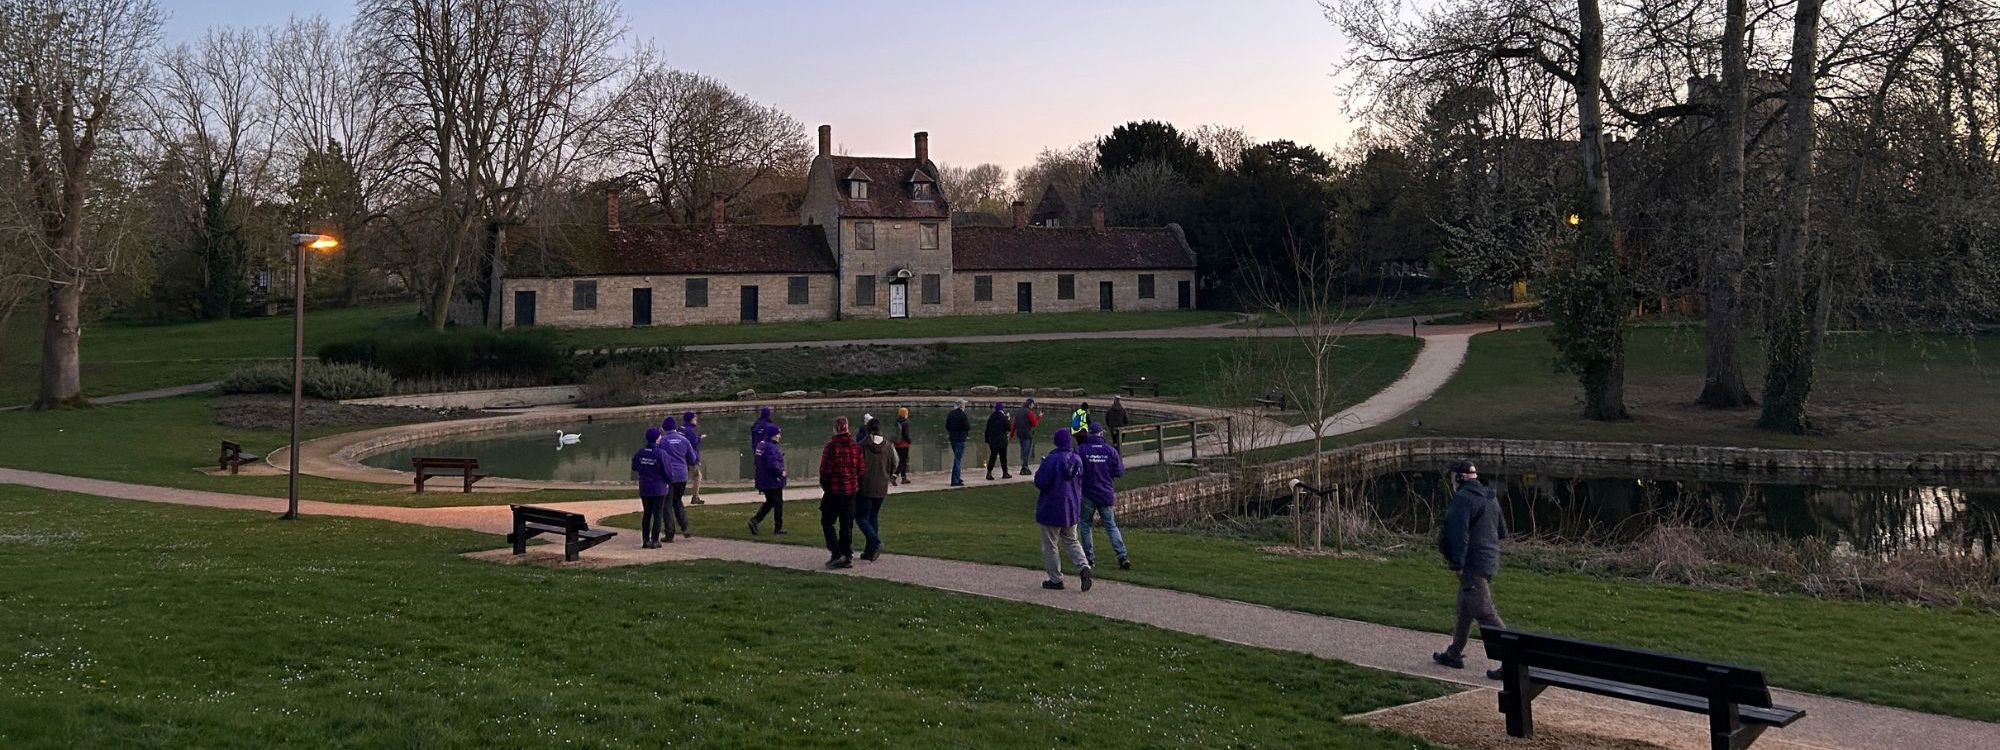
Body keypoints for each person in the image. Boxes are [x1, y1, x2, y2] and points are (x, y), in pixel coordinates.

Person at [1432, 459, 1508, 680]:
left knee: (1485, 612)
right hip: (1488, 559)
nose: (1451, 482)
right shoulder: (1489, 496)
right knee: (1465, 607)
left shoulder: (1463, 499)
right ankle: (1454, 653)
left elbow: (1458, 534)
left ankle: (1511, 661)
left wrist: (1457, 564)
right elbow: (1501, 531)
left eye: (1452, 477)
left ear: (1458, 478)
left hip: (1472, 563)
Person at [1033, 428, 1092, 591]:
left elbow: (1040, 482)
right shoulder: (1077, 460)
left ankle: (1056, 579)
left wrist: (1042, 466)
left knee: (1050, 544)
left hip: (1051, 507)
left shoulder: (1052, 460)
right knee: (1071, 540)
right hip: (1071, 507)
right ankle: (1083, 566)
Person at [1077, 423, 1130, 570]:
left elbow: (1077, 470)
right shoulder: (1110, 451)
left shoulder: (1082, 450)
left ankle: (1089, 559)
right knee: (1111, 526)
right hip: (1105, 494)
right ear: (1100, 434)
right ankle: (1122, 556)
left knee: (1085, 525)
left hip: (1087, 493)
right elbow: (1119, 471)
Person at [817, 417, 866, 569]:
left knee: (827, 522)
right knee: (847, 524)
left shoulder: (831, 447)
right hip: (850, 491)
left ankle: (837, 552)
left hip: (834, 491)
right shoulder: (855, 447)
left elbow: (825, 471)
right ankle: (846, 553)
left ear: (835, 429)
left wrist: (826, 486)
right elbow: (861, 469)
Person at [856, 417, 896, 561]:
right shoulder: (887, 446)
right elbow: (893, 464)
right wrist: (888, 476)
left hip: (865, 486)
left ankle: (875, 542)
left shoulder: (862, 446)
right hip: (881, 486)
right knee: (873, 517)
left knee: (860, 517)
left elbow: (857, 466)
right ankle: (870, 550)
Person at [657, 416, 698, 540]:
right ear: (675, 427)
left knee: (667, 503)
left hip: (668, 476)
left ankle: (669, 533)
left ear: (664, 428)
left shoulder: (662, 441)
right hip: (682, 475)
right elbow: (692, 458)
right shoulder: (684, 440)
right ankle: (685, 527)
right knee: (677, 501)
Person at [632, 427, 671, 548]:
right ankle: (655, 540)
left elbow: (635, 467)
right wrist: (669, 481)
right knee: (658, 514)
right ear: (656, 438)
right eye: (659, 436)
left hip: (645, 487)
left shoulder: (640, 452)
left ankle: (645, 539)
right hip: (658, 488)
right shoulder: (661, 453)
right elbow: (667, 471)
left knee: (647, 514)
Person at [749, 426, 787, 536]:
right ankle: (778, 528)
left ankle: (755, 521)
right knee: (778, 504)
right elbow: (772, 464)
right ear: (773, 435)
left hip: (763, 479)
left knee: (770, 502)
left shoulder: (761, 445)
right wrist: (781, 472)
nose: (779, 436)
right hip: (773, 480)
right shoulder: (771, 447)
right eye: (778, 434)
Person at [681, 410, 707, 504]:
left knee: (681, 477)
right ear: (691, 419)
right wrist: (700, 438)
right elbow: (694, 443)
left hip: (682, 457)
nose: (696, 420)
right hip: (691, 458)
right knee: (697, 476)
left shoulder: (681, 429)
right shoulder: (690, 430)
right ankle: (695, 497)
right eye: (694, 418)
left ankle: (674, 496)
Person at [945, 400, 971, 486]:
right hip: (960, 439)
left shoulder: (951, 414)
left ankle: (957, 477)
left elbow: (947, 426)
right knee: (957, 459)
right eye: (964, 404)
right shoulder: (963, 415)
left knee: (957, 458)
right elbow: (967, 426)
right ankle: (955, 480)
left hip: (952, 438)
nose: (965, 406)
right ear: (961, 406)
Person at [983, 402, 1012, 480]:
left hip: (992, 441)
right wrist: (1008, 419)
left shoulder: (991, 417)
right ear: (1002, 409)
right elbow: (1009, 428)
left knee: (993, 457)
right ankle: (1005, 473)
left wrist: (987, 440)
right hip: (1002, 440)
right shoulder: (1003, 417)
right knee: (1003, 457)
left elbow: (987, 429)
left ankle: (989, 473)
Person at [1012, 398, 1041, 475]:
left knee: (1023, 450)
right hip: (1027, 434)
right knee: (1027, 451)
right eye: (1033, 404)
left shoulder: (1019, 411)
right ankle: (1025, 467)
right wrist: (1039, 417)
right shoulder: (1029, 413)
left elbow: (1015, 423)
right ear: (1030, 404)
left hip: (1020, 434)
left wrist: (1012, 434)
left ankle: (1023, 466)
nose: (1033, 406)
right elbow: (1034, 423)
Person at [893, 407, 913, 484]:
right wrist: (909, 441)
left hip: (896, 443)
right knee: (903, 461)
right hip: (904, 444)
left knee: (902, 460)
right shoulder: (905, 423)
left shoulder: (897, 421)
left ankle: (904, 478)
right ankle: (894, 476)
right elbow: (906, 435)